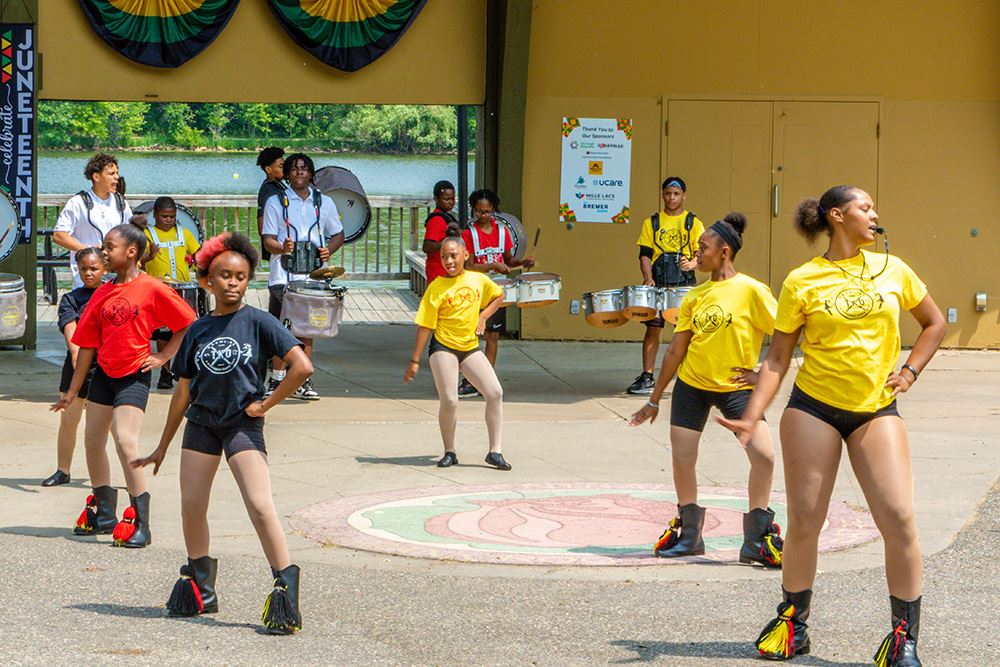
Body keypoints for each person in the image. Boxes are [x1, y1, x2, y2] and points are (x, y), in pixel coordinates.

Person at [718, 186, 945, 663]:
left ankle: (904, 640)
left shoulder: (894, 269)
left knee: (900, 519)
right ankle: (792, 625)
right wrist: (752, 415)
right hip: (813, 409)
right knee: (806, 520)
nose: (874, 214)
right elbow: (777, 357)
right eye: (866, 207)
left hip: (875, 409)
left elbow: (934, 322)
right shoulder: (803, 280)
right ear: (837, 216)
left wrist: (909, 371)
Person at [132, 232, 312, 634]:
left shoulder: (260, 322)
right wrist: (162, 446)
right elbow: (182, 393)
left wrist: (265, 404)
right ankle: (201, 587)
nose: (232, 282)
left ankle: (285, 588)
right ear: (208, 281)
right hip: (201, 425)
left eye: (241, 276)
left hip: (242, 425)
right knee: (192, 506)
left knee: (259, 504)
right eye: (225, 276)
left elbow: (302, 366)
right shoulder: (197, 330)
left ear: (248, 281)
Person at [628, 213, 782, 566]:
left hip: (735, 389)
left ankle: (756, 539)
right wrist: (654, 399)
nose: (697, 253)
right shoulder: (695, 296)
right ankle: (690, 537)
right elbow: (676, 350)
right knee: (683, 459)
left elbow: (786, 336)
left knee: (764, 456)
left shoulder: (752, 291)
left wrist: (762, 373)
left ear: (725, 252)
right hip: (692, 386)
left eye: (703, 247)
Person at [51, 221, 197, 549]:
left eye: (109, 247)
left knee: (125, 441)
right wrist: (73, 391)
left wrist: (164, 356)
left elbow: (188, 322)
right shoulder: (102, 292)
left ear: (131, 252)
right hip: (103, 376)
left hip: (133, 375)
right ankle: (105, 513)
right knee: (92, 441)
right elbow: (87, 346)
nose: (104, 252)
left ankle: (142, 522)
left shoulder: (152, 288)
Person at [404, 222, 512, 471]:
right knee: (450, 399)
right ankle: (449, 451)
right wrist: (415, 360)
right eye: (444, 257)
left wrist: (483, 316)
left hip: (469, 347)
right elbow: (425, 326)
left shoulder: (478, 279)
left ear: (465, 255)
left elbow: (499, 296)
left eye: (453, 255)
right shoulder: (436, 287)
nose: (449, 261)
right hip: (443, 347)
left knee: (495, 393)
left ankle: (495, 451)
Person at [261, 153, 344, 401]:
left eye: (304, 168)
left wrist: (329, 249)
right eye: (294, 168)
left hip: (313, 276)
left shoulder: (324, 202)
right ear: (287, 174)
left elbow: (338, 233)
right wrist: (282, 247)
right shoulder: (276, 202)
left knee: (306, 328)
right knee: (282, 327)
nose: (299, 172)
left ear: (311, 174)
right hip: (283, 275)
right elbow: (267, 240)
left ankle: (301, 380)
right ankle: (277, 379)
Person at [627, 177, 705, 395]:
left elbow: (703, 251)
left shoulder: (693, 222)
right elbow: (644, 254)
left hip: (684, 285)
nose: (672, 198)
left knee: (687, 332)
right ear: (663, 195)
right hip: (658, 285)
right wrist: (648, 277)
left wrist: (693, 263)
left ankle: (691, 378)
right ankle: (647, 377)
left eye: (676, 194)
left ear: (684, 196)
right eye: (668, 193)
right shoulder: (651, 223)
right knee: (653, 328)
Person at [459, 189, 534, 397]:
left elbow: (509, 261)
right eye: (479, 212)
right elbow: (469, 266)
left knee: (492, 336)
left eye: (487, 211)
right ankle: (470, 378)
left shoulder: (502, 232)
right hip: (474, 290)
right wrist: (493, 265)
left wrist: (523, 262)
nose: (483, 215)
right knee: (471, 337)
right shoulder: (468, 234)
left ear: (494, 209)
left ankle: (485, 380)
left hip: (496, 292)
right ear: (473, 210)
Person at [41, 248, 106, 487]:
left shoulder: (113, 294)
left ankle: (127, 474)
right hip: (77, 366)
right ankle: (63, 470)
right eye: (83, 269)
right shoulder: (71, 299)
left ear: (105, 269)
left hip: (107, 367)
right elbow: (73, 337)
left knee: (111, 428)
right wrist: (79, 362)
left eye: (94, 268)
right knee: (69, 421)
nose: (88, 273)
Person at [142, 196, 202, 389]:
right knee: (164, 331)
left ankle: (185, 368)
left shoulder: (184, 234)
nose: (168, 220)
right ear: (155, 216)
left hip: (181, 289)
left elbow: (199, 255)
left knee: (187, 329)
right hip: (158, 290)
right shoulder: (147, 235)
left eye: (172, 216)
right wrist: (149, 256)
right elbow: (137, 262)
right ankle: (166, 372)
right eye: (164, 216)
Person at [52, 153, 134, 288]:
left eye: (117, 173)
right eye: (111, 174)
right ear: (96, 177)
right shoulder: (78, 203)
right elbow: (59, 235)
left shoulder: (121, 203)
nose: (117, 177)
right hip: (86, 281)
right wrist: (89, 250)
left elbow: (131, 234)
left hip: (115, 280)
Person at [421, 180, 458, 285]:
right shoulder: (436, 220)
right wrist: (449, 242)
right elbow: (427, 247)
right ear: (436, 199)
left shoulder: (447, 216)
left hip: (448, 270)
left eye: (452, 199)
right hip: (438, 272)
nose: (451, 202)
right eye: (446, 199)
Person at [256, 147, 286, 262]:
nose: (285, 169)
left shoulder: (278, 185)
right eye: (281, 166)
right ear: (268, 169)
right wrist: (274, 243)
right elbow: (261, 223)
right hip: (279, 249)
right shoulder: (268, 189)